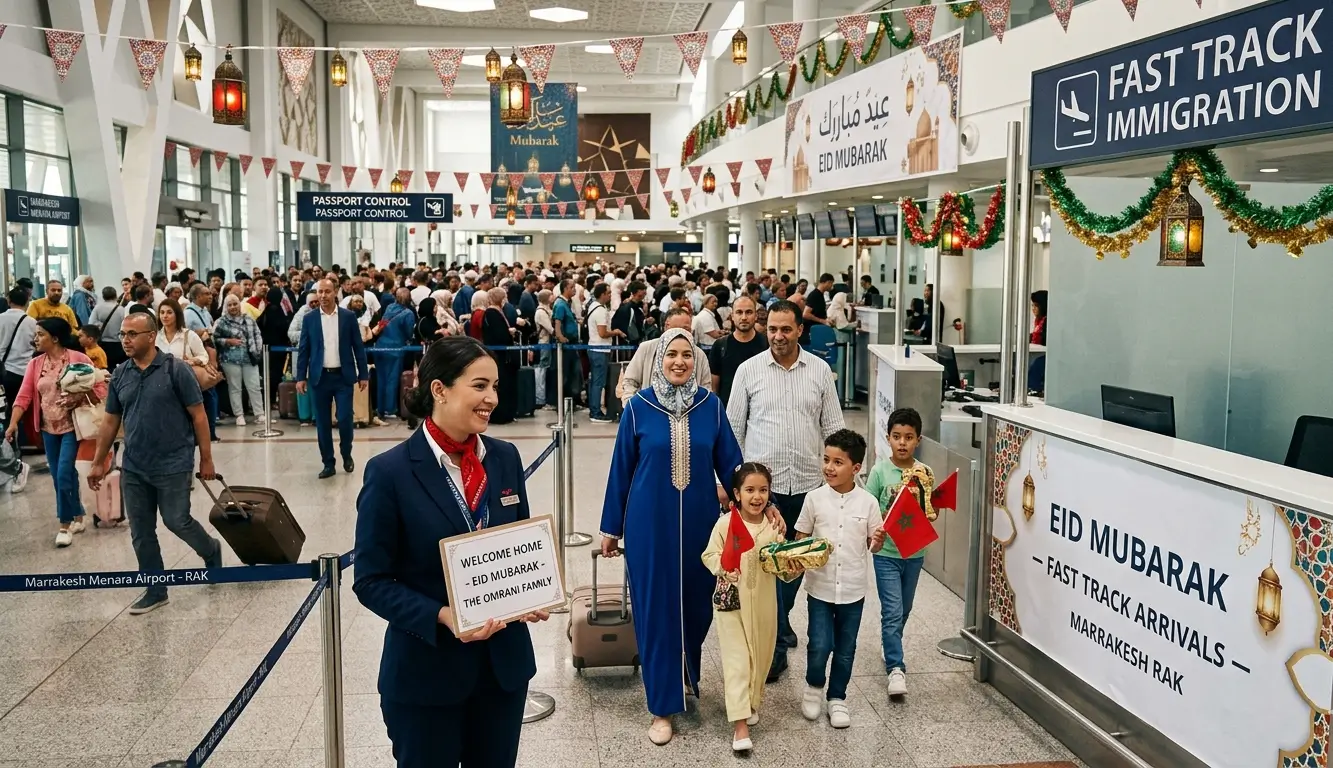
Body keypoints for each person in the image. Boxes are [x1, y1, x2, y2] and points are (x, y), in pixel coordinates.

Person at [353, 336, 550, 767]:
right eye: (479, 386)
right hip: (428, 675)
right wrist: (442, 616)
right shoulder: (390, 473)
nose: (492, 399)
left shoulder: (504, 458)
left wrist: (530, 594)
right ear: (439, 389)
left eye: (495, 387)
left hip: (502, 672)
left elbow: (517, 543)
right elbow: (370, 580)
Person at [600, 329, 776, 746]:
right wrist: (611, 527)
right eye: (671, 354)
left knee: (698, 607)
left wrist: (761, 501)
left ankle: (685, 676)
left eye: (687, 354)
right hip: (649, 525)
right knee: (657, 610)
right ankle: (662, 706)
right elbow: (620, 469)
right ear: (658, 359)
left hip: (701, 525)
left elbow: (733, 465)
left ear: (697, 360)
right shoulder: (639, 408)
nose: (679, 361)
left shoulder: (710, 406)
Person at [727, 299, 845, 683]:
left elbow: (833, 428)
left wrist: (842, 482)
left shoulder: (821, 371)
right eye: (772, 329)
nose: (778, 336)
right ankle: (775, 646)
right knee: (767, 564)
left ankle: (779, 623)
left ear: (799, 331)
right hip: (764, 493)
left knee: (797, 564)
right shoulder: (748, 371)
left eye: (785, 329)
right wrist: (731, 487)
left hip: (810, 486)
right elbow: (734, 431)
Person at [88, 312, 222, 614]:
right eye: (123, 334)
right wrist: (99, 462)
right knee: (141, 531)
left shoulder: (176, 370)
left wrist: (206, 459)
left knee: (176, 520)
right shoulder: (121, 373)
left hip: (174, 461)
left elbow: (199, 416)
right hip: (134, 465)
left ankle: (210, 549)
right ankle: (155, 589)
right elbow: (110, 421)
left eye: (132, 334)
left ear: (151, 336)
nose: (125, 340)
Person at [794, 429, 883, 727]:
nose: (829, 467)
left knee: (846, 648)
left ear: (856, 468)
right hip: (819, 587)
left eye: (838, 462)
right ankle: (813, 687)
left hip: (853, 590)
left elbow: (873, 543)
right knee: (819, 643)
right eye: (826, 460)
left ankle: (837, 697)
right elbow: (801, 537)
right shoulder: (814, 499)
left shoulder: (869, 503)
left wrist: (878, 540)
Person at [701, 463, 782, 753]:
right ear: (736, 493)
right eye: (749, 490)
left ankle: (751, 701)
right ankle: (739, 726)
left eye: (763, 490)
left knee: (760, 658)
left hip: (764, 605)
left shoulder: (773, 526)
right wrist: (724, 568)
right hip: (731, 605)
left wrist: (793, 565)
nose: (757, 496)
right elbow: (709, 555)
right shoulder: (726, 524)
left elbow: (781, 563)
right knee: (737, 663)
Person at [6, 317, 106, 546]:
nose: (36, 338)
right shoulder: (35, 364)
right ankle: (78, 514)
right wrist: (13, 424)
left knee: (62, 473)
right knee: (61, 476)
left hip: (72, 426)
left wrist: (78, 396)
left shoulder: (78, 358)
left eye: (40, 334)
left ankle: (64, 525)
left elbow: (99, 386)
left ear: (55, 337)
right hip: (47, 428)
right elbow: (24, 396)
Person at [863, 407, 935, 699]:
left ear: (918, 439)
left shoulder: (924, 474)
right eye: (896, 437)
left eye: (908, 437)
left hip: (915, 553)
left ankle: (889, 640)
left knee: (904, 609)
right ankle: (896, 667)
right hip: (886, 554)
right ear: (888, 438)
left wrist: (929, 513)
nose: (902, 443)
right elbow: (867, 508)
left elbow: (931, 509)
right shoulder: (880, 472)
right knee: (892, 611)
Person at [295, 279, 369, 479]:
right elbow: (304, 350)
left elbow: (358, 348)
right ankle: (328, 462)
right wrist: (300, 376)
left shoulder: (348, 317)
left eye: (327, 291)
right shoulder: (310, 319)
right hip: (320, 379)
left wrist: (363, 374)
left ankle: (346, 453)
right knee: (322, 423)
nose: (323, 296)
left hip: (343, 378)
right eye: (320, 292)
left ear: (335, 292)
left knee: (345, 419)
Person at [617, 308, 712, 404]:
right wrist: (632, 406)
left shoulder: (699, 354)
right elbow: (630, 381)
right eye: (678, 329)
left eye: (687, 329)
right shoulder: (647, 348)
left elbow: (706, 387)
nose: (682, 333)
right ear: (667, 326)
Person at [212, 295, 266, 427]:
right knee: (235, 388)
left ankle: (259, 414)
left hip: (249, 358)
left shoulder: (248, 319)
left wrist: (257, 350)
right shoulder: (221, 322)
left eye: (235, 304)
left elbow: (257, 335)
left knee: (254, 386)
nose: (233, 307)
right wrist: (228, 341)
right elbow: (214, 339)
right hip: (230, 360)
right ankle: (239, 415)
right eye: (229, 305)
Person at [708, 296, 767, 407]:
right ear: (732, 316)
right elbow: (714, 385)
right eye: (739, 312)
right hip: (728, 410)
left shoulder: (767, 345)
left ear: (756, 316)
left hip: (759, 410)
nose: (744, 317)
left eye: (748, 312)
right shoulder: (720, 346)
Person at [374, 289, 416, 421]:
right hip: (395, 348)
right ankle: (390, 409)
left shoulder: (389, 307)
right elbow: (409, 333)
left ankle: (379, 408)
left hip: (380, 347)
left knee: (381, 379)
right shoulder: (408, 313)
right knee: (392, 380)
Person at [585, 284, 622, 424]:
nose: (610, 295)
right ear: (601, 294)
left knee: (595, 381)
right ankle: (595, 412)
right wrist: (615, 332)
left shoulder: (592, 306)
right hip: (600, 349)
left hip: (594, 348)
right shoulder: (600, 311)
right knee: (597, 382)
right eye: (607, 293)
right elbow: (603, 333)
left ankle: (594, 408)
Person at [480, 288, 518, 425]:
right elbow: (499, 335)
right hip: (499, 356)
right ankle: (500, 414)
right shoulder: (492, 313)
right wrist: (509, 333)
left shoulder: (497, 312)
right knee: (501, 384)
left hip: (502, 355)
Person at [89, 286, 126, 370]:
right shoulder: (121, 309)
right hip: (118, 344)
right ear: (115, 295)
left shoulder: (97, 308)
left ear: (103, 296)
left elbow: (91, 324)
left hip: (102, 344)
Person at [1028, 289, 1048, 394]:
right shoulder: (1039, 321)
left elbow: (1044, 340)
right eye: (1032, 306)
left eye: (1036, 306)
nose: (1033, 309)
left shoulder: (1048, 321)